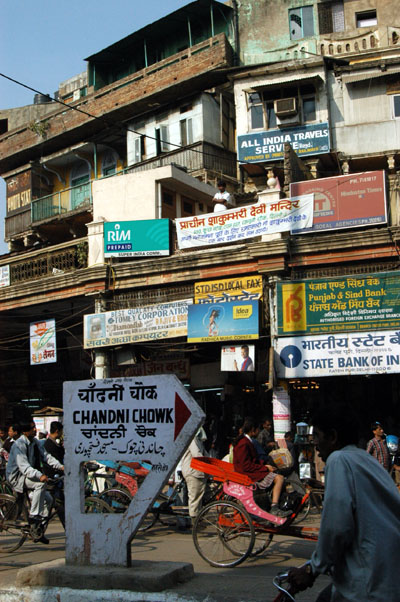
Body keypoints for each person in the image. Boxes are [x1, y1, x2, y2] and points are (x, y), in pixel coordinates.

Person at [288, 404, 400, 602]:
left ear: (332, 437)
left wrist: (312, 569)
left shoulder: (338, 459)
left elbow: (336, 527)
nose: (316, 445)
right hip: (388, 573)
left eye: (318, 437)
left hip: (368, 580)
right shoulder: (365, 460)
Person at [6, 419, 64, 544]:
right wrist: (39, 476)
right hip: (17, 477)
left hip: (27, 475)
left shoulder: (35, 442)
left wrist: (60, 466)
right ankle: (34, 516)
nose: (35, 430)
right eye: (32, 428)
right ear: (25, 431)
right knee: (40, 484)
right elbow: (24, 467)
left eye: (34, 427)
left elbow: (46, 457)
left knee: (49, 500)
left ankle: (38, 531)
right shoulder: (19, 445)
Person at [233, 418, 289, 517]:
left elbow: (253, 461)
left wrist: (265, 465)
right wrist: (265, 468)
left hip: (252, 471)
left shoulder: (247, 441)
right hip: (247, 474)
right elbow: (245, 465)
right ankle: (274, 507)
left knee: (277, 475)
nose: (259, 431)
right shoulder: (243, 443)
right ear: (252, 430)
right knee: (279, 478)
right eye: (257, 429)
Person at [181, 427, 208, 527]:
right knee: (194, 498)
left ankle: (197, 518)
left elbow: (204, 453)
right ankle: (195, 523)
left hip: (197, 472)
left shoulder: (197, 440)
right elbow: (197, 454)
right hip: (193, 472)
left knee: (198, 497)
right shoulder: (192, 439)